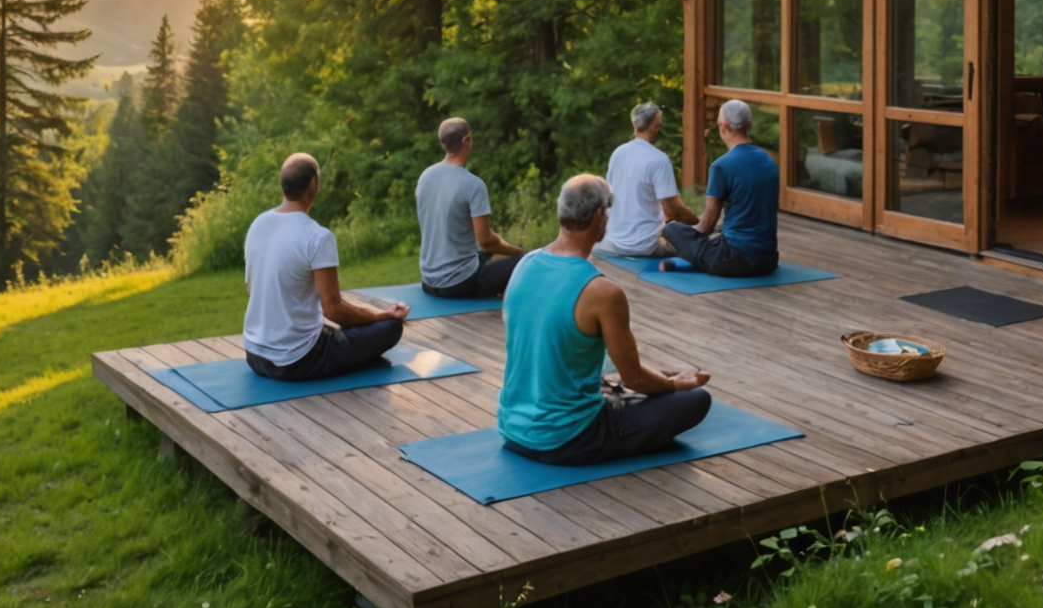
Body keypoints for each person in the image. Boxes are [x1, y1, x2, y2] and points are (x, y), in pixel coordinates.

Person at [497, 175, 713, 466]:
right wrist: (674, 385)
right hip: (569, 438)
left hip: (514, 430)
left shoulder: (525, 264)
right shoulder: (602, 292)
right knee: (696, 400)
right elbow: (633, 378)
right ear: (599, 217)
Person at [244, 153, 410, 381]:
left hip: (255, 356)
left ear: (283, 184)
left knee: (344, 325)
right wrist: (383, 315)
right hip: (298, 361)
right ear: (314, 184)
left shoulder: (258, 224)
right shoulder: (318, 236)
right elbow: (333, 310)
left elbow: (252, 288)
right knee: (391, 328)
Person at [663, 100, 780, 277]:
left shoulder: (721, 166)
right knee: (718, 234)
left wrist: (683, 232)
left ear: (723, 127)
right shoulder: (769, 160)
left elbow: (706, 226)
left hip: (734, 260)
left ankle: (693, 256)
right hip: (768, 258)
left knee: (672, 229)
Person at [416, 118, 527, 298]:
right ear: (467, 140)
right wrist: (517, 251)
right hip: (460, 284)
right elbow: (486, 241)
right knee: (526, 261)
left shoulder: (425, 176)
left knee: (486, 254)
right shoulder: (473, 185)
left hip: (428, 282)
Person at [593, 102, 697, 260]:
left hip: (612, 240)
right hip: (644, 245)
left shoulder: (618, 153)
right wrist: (698, 224)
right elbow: (673, 210)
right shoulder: (659, 160)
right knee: (701, 243)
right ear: (656, 126)